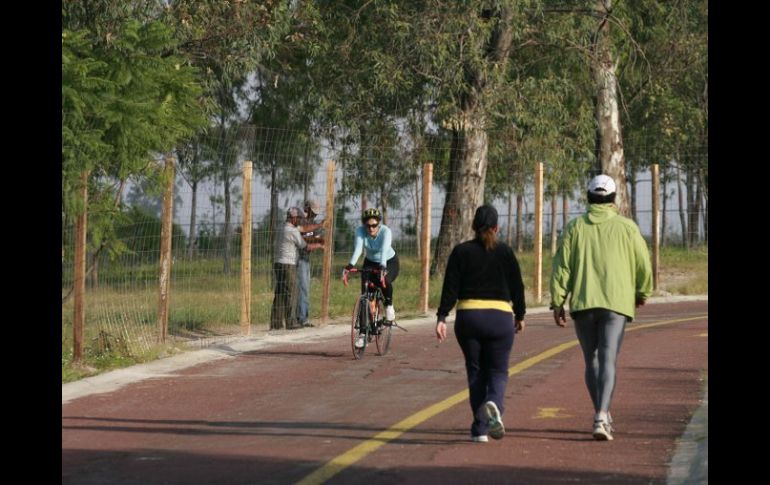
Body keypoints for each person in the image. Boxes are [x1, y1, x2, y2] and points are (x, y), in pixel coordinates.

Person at [550, 174, 653, 441]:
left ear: (588, 198)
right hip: (616, 303)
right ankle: (602, 414)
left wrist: (558, 300)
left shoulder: (574, 227)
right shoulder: (627, 227)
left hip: (583, 303)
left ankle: (601, 413)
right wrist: (642, 291)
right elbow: (643, 261)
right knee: (608, 358)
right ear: (614, 199)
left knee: (591, 360)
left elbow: (561, 266)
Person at [435, 204, 526, 443]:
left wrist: (442, 317)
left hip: (469, 318)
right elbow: (517, 287)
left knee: (476, 372)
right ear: (497, 227)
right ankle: (493, 404)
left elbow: (450, 288)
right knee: (498, 371)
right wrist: (521, 315)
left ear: (473, 227)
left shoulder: (460, 252)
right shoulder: (505, 252)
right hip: (500, 318)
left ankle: (480, 429)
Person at [342, 208, 400, 348]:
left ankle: (389, 306)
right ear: (364, 225)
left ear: (379, 224)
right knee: (365, 298)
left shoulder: (386, 232)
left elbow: (383, 250)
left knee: (384, 280)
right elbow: (358, 250)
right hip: (369, 262)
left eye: (374, 225)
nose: (371, 228)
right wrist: (349, 266)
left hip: (388, 261)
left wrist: (382, 267)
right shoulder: (360, 231)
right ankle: (363, 334)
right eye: (368, 225)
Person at [271, 207, 322, 330]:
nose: (300, 221)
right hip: (288, 264)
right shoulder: (292, 231)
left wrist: (319, 225)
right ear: (293, 218)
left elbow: (304, 229)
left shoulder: (281, 227)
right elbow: (305, 247)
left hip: (278, 263)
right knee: (291, 293)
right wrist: (320, 245)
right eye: (299, 218)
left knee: (280, 293)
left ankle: (276, 323)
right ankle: (291, 321)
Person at [295, 199, 325, 328]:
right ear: (306, 208)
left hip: (306, 259)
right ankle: (302, 318)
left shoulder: (313, 223)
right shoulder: (299, 222)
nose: (315, 215)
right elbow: (303, 242)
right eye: (313, 212)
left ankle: (302, 317)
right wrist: (317, 244)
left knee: (304, 289)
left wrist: (319, 241)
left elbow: (317, 238)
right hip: (298, 258)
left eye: (316, 213)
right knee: (302, 289)